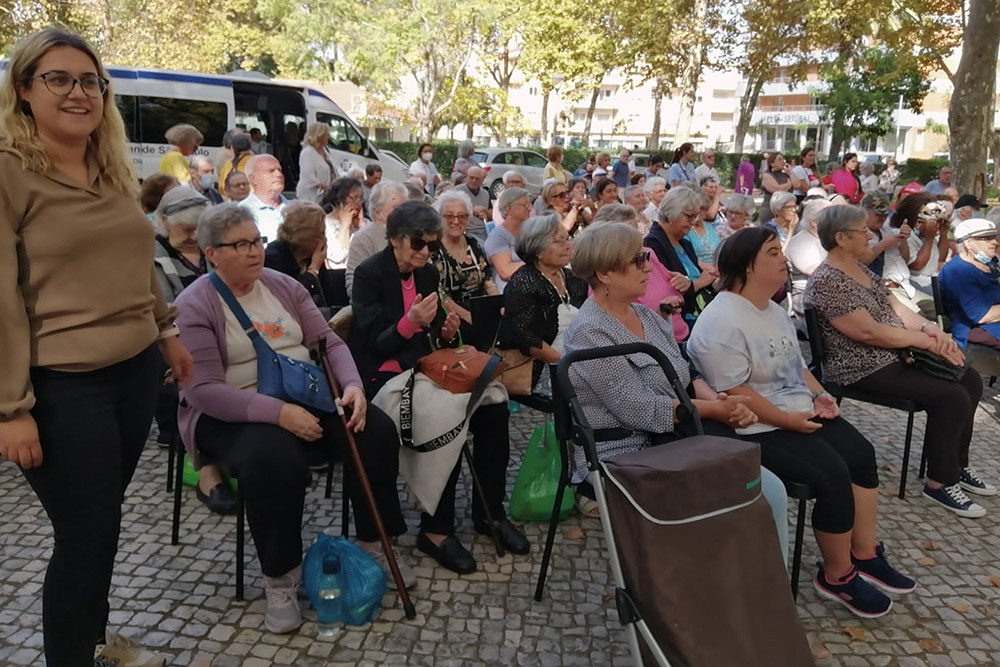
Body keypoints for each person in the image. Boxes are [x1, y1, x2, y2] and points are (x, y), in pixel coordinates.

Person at [0, 28, 194, 665]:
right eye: (57, 78)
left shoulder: (109, 166)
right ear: (24, 89)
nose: (77, 92)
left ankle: (90, 643)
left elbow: (138, 262)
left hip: (133, 373)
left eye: (89, 80)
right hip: (61, 385)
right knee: (86, 536)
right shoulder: (7, 172)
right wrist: (11, 407)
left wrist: (166, 332)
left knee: (100, 530)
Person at [175, 203, 411, 632]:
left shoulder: (284, 286)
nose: (254, 251)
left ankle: (373, 545)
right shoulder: (194, 305)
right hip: (232, 412)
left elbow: (331, 344)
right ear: (211, 253)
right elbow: (203, 390)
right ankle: (280, 578)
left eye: (257, 241)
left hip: (303, 394)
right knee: (274, 459)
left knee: (374, 430)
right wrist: (278, 413)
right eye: (240, 244)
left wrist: (353, 387)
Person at [687, 226, 916, 619]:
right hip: (753, 425)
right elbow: (734, 393)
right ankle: (837, 574)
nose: (784, 259)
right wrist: (788, 421)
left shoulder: (772, 308)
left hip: (794, 410)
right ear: (747, 266)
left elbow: (796, 366)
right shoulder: (721, 321)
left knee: (861, 454)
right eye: (774, 253)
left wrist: (819, 395)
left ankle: (863, 552)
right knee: (831, 474)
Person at [350, 200, 529, 573]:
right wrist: (410, 322)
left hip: (425, 365)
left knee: (495, 406)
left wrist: (445, 331)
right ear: (396, 240)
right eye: (419, 244)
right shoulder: (370, 274)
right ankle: (435, 529)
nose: (426, 252)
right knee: (446, 415)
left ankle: (489, 512)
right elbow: (370, 343)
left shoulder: (428, 273)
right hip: (383, 371)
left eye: (431, 245)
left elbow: (434, 334)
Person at [804, 205, 992, 518]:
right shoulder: (828, 281)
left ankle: (957, 467)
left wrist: (932, 330)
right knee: (951, 395)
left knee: (969, 378)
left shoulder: (860, 269)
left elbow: (898, 309)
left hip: (893, 355)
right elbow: (868, 333)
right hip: (859, 367)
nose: (870, 235)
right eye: (862, 230)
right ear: (840, 237)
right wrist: (924, 341)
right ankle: (940, 483)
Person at [150, 186, 235, 515]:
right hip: (170, 344)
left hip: (220, 335)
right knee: (198, 379)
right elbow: (167, 312)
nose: (192, 237)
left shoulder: (212, 250)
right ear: (165, 223)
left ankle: (244, 452)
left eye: (199, 230)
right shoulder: (153, 256)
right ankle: (207, 471)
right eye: (186, 230)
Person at [498, 213, 588, 395]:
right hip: (544, 366)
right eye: (559, 241)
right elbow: (529, 341)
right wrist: (568, 365)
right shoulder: (523, 283)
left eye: (567, 239)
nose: (567, 245)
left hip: (578, 357)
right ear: (538, 250)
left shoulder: (572, 277)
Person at [644, 187, 718, 325]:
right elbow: (666, 291)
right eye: (689, 216)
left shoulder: (684, 243)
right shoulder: (653, 244)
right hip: (679, 320)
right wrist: (697, 284)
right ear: (672, 214)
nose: (693, 221)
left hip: (702, 312)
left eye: (695, 216)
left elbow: (701, 276)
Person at [432, 191, 497, 334]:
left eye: (462, 216)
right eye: (449, 216)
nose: (456, 221)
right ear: (440, 218)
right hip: (452, 318)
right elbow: (441, 295)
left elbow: (487, 279)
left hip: (481, 310)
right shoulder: (435, 250)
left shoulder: (474, 244)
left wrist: (497, 304)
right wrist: (469, 317)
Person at [940, 219, 1000, 349]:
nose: (994, 242)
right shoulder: (957, 271)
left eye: (993, 237)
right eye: (987, 239)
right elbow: (982, 316)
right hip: (980, 330)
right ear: (968, 243)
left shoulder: (989, 263)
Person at [264, 200, 335, 310]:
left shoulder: (311, 255)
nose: (324, 240)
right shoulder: (275, 256)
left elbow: (326, 296)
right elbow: (292, 294)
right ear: (304, 236)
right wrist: (313, 270)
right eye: (321, 234)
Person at [346, 181, 407, 298]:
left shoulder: (412, 234)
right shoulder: (363, 238)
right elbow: (354, 286)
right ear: (378, 212)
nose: (404, 213)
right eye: (396, 208)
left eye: (405, 207)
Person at [785, 199, 832, 317]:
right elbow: (816, 272)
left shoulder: (825, 240)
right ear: (813, 222)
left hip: (827, 292)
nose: (836, 220)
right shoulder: (800, 242)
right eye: (830, 216)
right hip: (807, 295)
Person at [485, 187, 532, 294]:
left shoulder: (528, 233)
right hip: (512, 292)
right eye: (525, 205)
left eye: (530, 204)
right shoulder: (497, 237)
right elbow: (505, 270)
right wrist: (538, 265)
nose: (529, 209)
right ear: (509, 208)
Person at [239, 154, 289, 243]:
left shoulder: (298, 208)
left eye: (280, 170)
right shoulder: (242, 212)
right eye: (271, 171)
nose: (279, 175)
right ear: (252, 178)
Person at [860, 192, 902, 278]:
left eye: (885, 214)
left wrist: (903, 237)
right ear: (864, 212)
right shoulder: (855, 231)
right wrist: (883, 245)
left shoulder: (885, 230)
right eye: (878, 214)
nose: (882, 218)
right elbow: (858, 263)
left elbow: (905, 258)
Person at [296, 122, 336, 204]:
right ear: (319, 136)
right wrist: (327, 188)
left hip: (325, 196)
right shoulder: (308, 152)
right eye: (326, 135)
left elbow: (332, 170)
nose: (328, 137)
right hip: (311, 197)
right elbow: (308, 177)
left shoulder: (325, 151)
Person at [685, 191, 723, 266]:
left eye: (704, 209)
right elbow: (686, 259)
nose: (701, 212)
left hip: (717, 270)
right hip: (697, 271)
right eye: (699, 208)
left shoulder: (710, 227)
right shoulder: (686, 229)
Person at [455, 165, 490, 243]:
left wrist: (485, 211)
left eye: (477, 179)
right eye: (471, 177)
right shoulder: (457, 191)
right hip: (467, 230)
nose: (474, 180)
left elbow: (491, 215)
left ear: (482, 180)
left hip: (484, 229)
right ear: (467, 177)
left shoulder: (485, 193)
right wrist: (471, 210)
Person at [760, 152, 793, 225]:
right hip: (770, 210)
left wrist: (790, 172)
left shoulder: (786, 175)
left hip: (785, 211)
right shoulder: (767, 175)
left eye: (783, 159)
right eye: (779, 159)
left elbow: (797, 184)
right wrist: (791, 183)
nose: (783, 161)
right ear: (772, 163)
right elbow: (776, 189)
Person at [219, 132, 253, 198]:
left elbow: (221, 187)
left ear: (232, 148)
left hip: (232, 200)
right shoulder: (256, 162)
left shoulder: (228, 164)